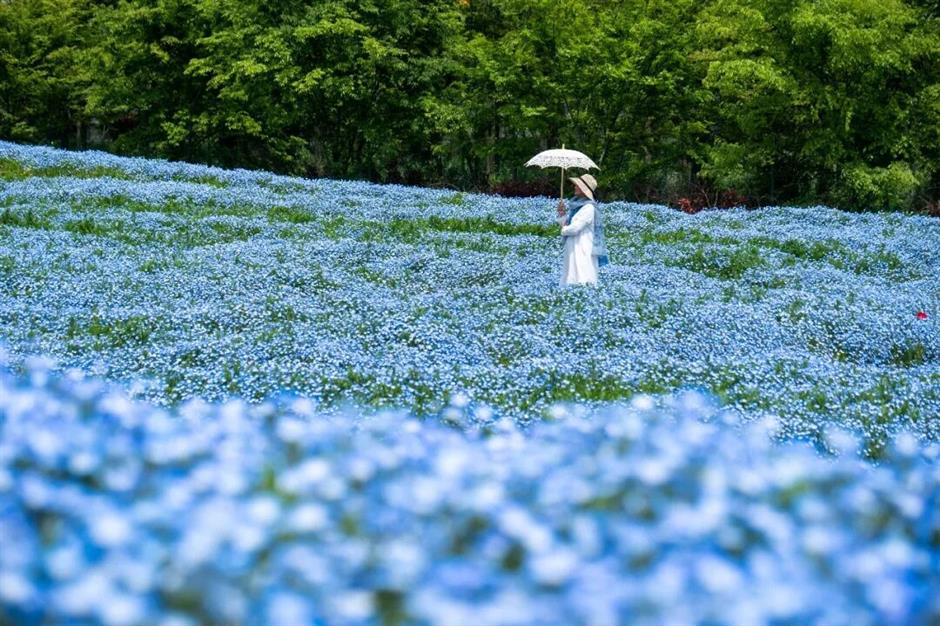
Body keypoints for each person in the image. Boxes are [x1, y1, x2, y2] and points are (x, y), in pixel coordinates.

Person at [556, 173, 608, 287]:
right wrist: (562, 214)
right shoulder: (578, 207)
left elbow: (574, 228)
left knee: (582, 274)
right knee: (571, 273)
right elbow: (567, 225)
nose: (574, 187)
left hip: (582, 247)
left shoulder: (589, 208)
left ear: (585, 190)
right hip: (574, 246)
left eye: (577, 185)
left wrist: (564, 229)